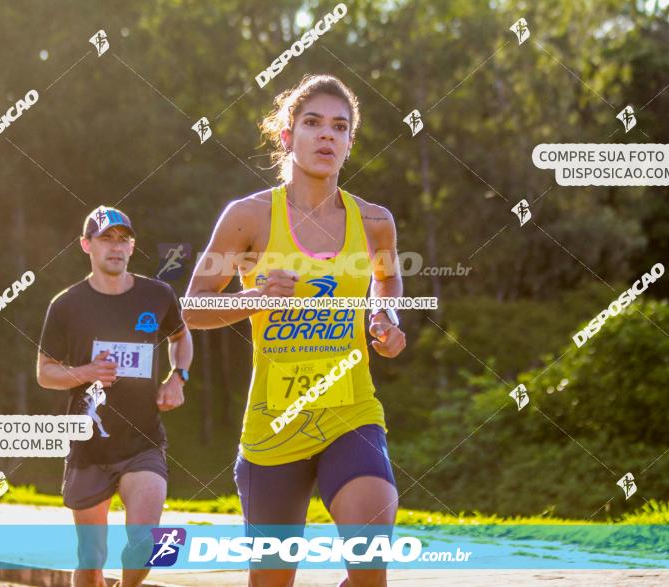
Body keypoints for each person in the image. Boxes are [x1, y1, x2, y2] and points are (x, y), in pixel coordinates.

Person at [183, 74, 407, 587]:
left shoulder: (375, 221)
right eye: (312, 123)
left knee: (370, 553)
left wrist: (387, 318)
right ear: (287, 136)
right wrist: (255, 299)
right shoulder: (248, 217)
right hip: (273, 424)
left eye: (339, 127)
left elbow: (388, 279)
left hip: (351, 409)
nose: (327, 136)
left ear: (350, 143)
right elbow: (190, 308)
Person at [37, 205, 193, 587]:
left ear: (132, 245)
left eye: (122, 239)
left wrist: (178, 377)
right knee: (91, 560)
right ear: (86, 245)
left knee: (143, 544)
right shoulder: (66, 305)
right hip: (89, 447)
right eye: (106, 239)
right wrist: (86, 373)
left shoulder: (157, 295)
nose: (115, 247)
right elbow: (44, 373)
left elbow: (181, 336)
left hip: (143, 442)